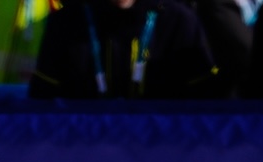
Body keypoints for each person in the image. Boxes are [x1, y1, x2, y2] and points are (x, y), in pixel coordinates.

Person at [28, 0, 218, 99]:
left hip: (162, 159)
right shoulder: (66, 24)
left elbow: (207, 108)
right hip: (83, 159)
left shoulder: (180, 23)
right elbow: (41, 104)